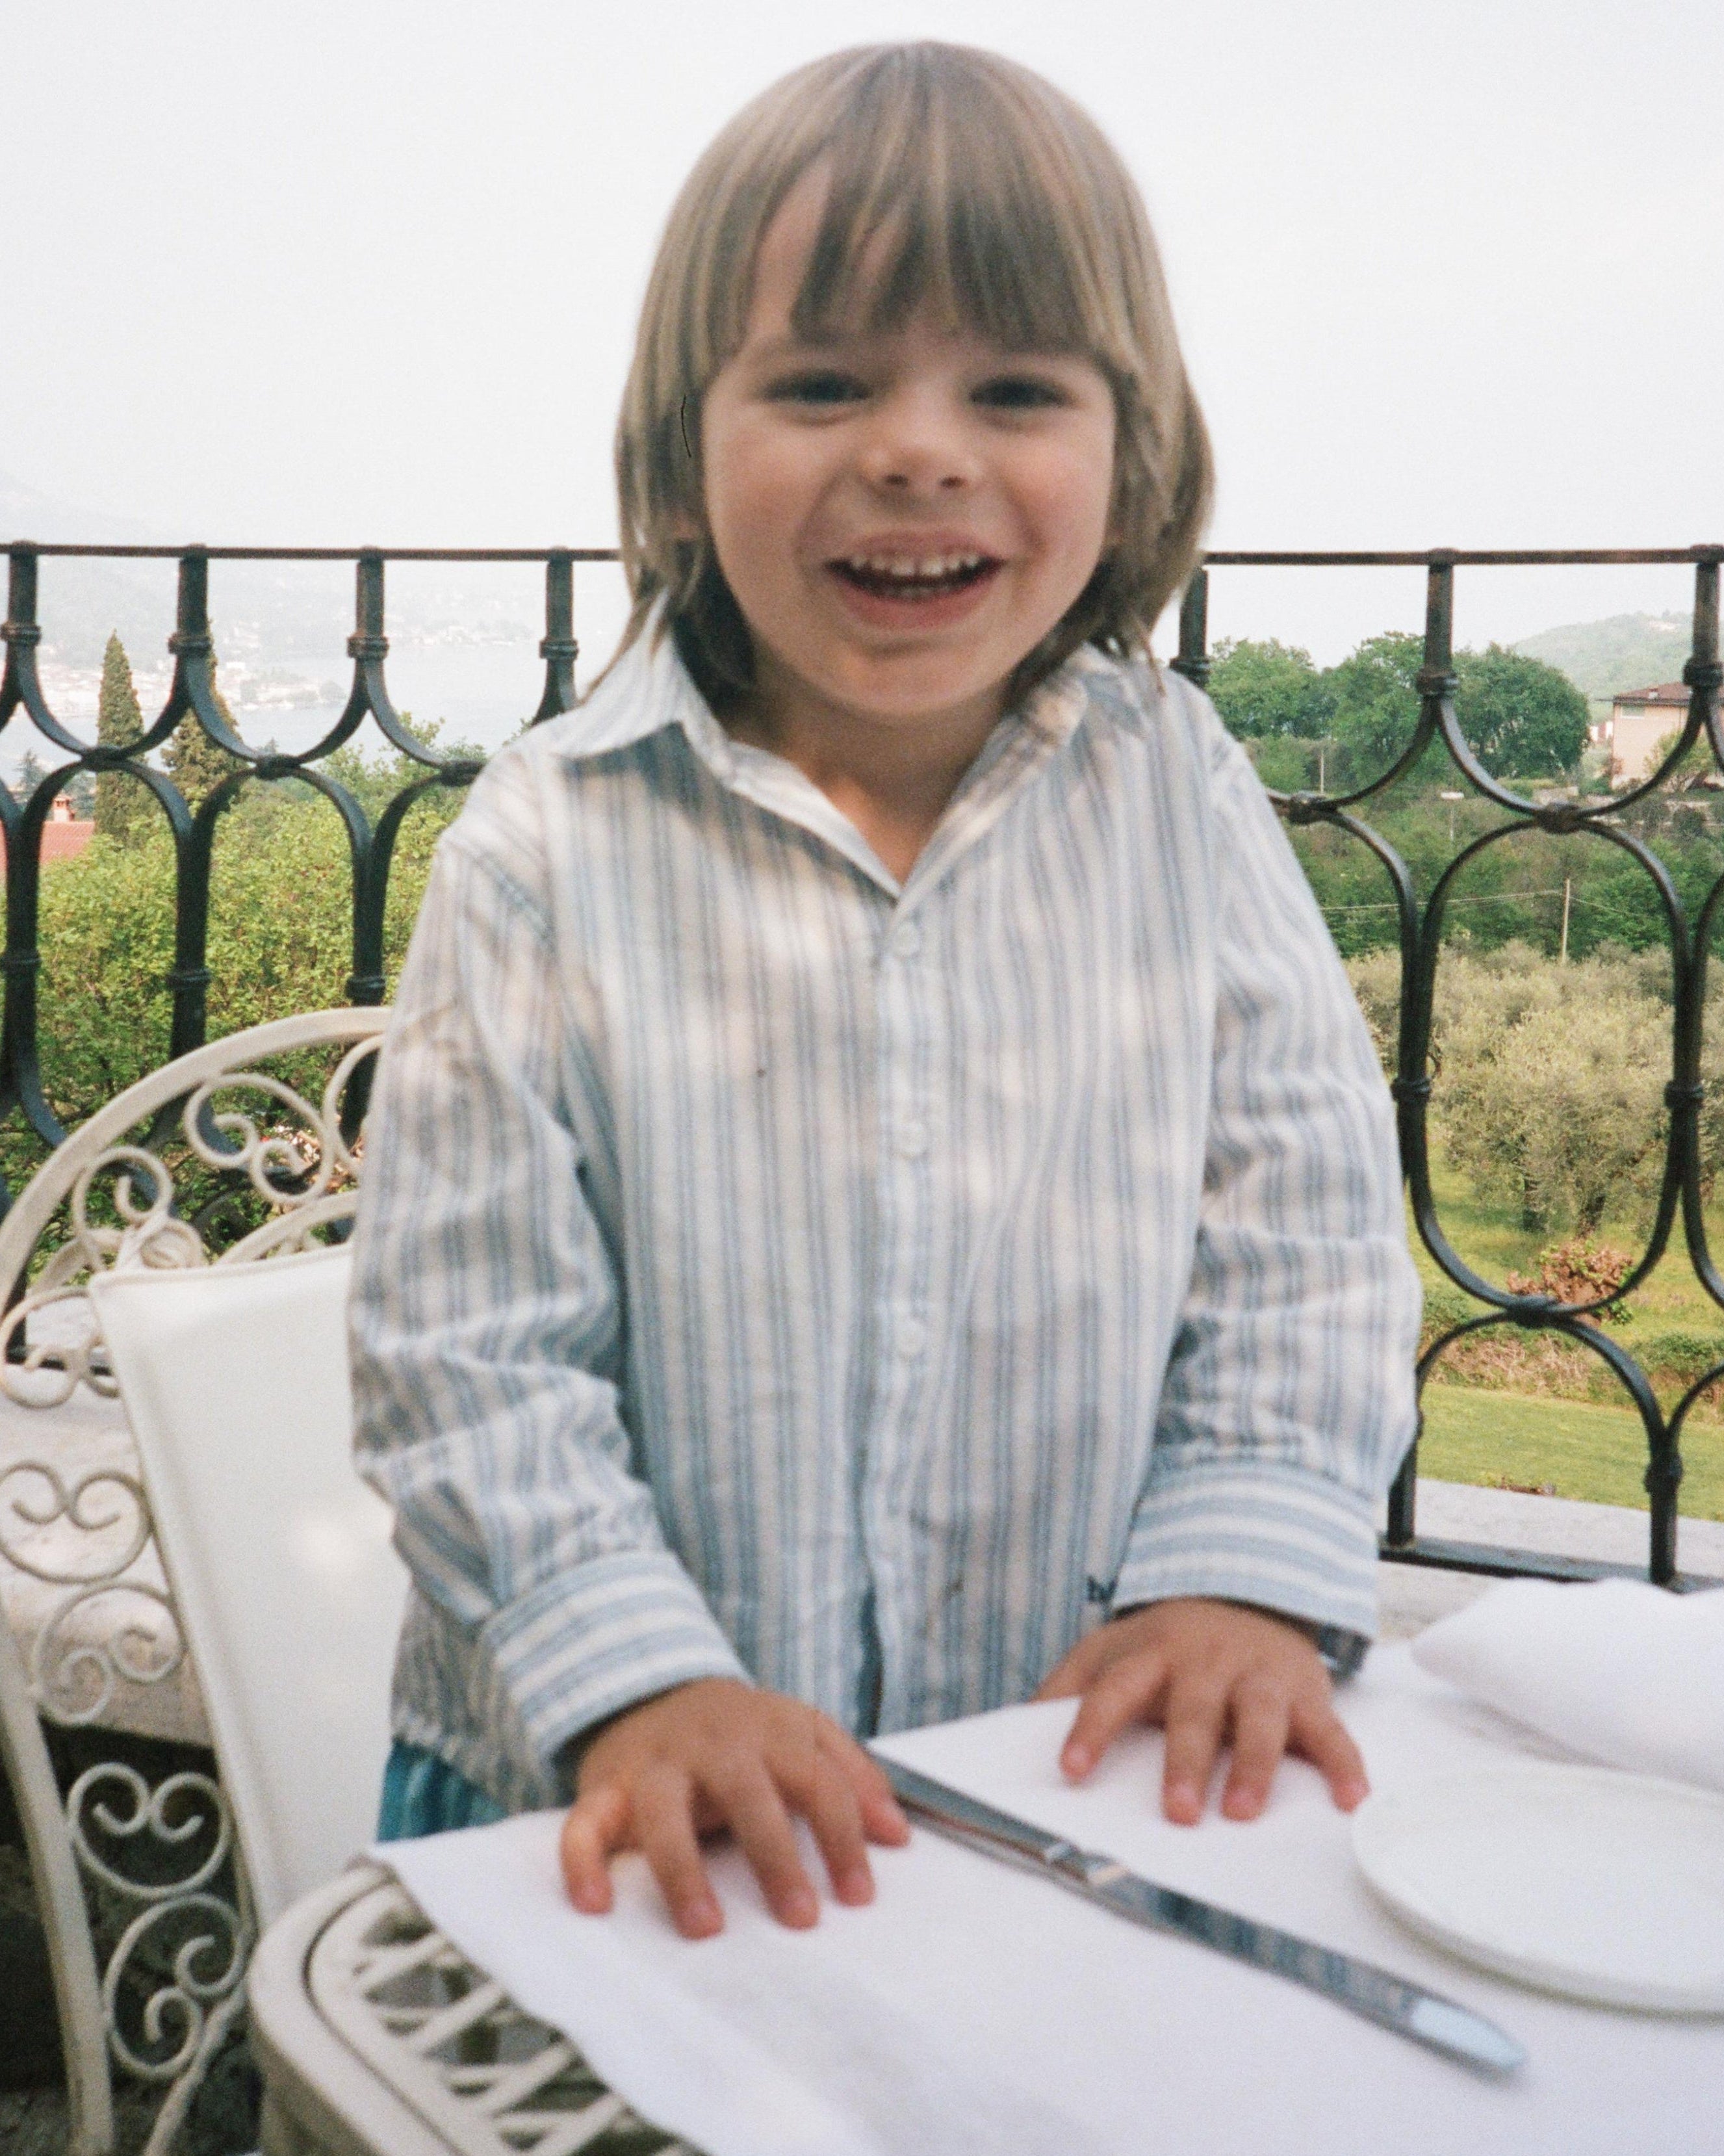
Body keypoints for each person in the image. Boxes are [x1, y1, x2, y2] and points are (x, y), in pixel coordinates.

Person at [350, 40, 1421, 1942]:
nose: (918, 447)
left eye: (1014, 387)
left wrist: (1240, 1580)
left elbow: (1305, 1238)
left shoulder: (1177, 794)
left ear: (1134, 452)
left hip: (1050, 1781)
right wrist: (636, 1677)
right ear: (688, 443)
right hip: (605, 1806)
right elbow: (468, 1350)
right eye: (823, 381)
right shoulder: (547, 848)